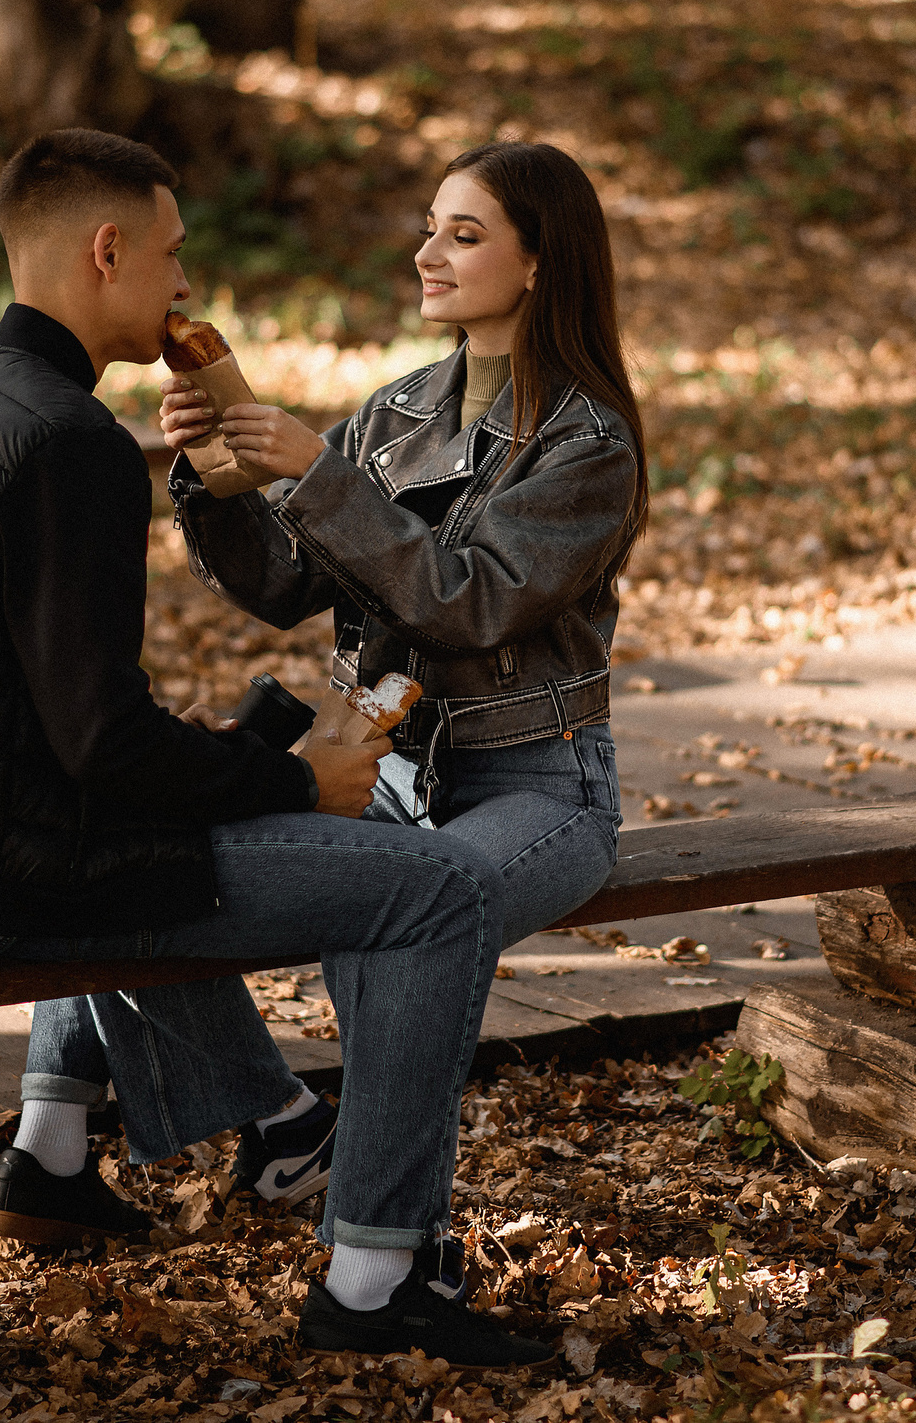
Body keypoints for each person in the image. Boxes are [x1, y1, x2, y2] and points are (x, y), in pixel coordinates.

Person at [0, 127, 553, 1369]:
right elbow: (102, 749)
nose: (185, 288)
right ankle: (374, 1274)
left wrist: (237, 760)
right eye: (170, 255)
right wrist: (292, 781)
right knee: (439, 888)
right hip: (11, 874)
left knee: (231, 773)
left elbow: (49, 720)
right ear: (106, 252)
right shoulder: (68, 442)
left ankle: (220, 1127)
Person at [160, 138, 646, 950]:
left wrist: (318, 473)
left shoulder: (588, 446)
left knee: (414, 920)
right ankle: (251, 1088)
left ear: (538, 263)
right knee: (167, 871)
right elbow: (283, 586)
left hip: (534, 783)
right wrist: (213, 474)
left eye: (464, 235)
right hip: (376, 767)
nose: (426, 254)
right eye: (430, 229)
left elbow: (470, 604)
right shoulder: (397, 410)